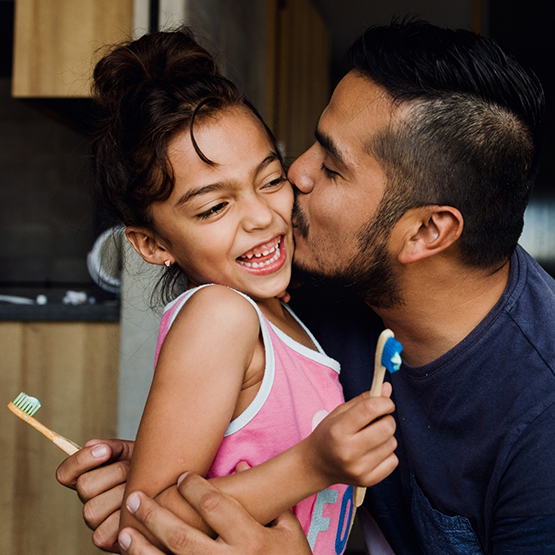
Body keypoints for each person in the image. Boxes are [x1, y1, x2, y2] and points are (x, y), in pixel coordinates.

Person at [57, 19, 555, 554]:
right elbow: (174, 494)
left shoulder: (539, 416)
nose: (296, 176)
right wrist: (171, 466)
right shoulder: (294, 279)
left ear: (427, 231)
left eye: (332, 167)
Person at [80, 27, 397, 555]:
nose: (261, 217)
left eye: (270, 180)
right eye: (213, 207)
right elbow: (142, 525)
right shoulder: (221, 316)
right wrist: (312, 465)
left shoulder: (280, 315)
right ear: (153, 244)